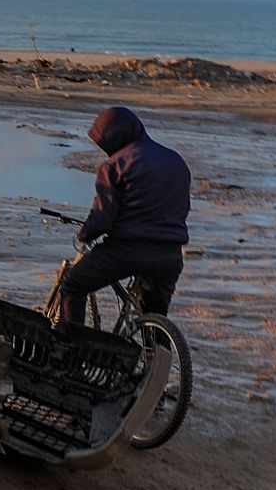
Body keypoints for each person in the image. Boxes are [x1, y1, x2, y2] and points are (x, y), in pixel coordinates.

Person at [54, 106, 190, 326]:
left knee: (73, 285)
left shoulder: (115, 165)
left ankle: (67, 348)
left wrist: (86, 232)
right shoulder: (176, 161)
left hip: (127, 251)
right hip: (170, 256)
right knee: (155, 318)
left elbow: (102, 218)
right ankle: (159, 354)